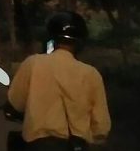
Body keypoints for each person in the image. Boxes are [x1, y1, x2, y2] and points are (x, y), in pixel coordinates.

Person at [6, 11, 111, 150]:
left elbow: (16, 102)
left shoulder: (33, 63)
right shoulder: (91, 74)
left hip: (37, 145)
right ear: (80, 42)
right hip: (75, 146)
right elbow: (101, 126)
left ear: (51, 38)